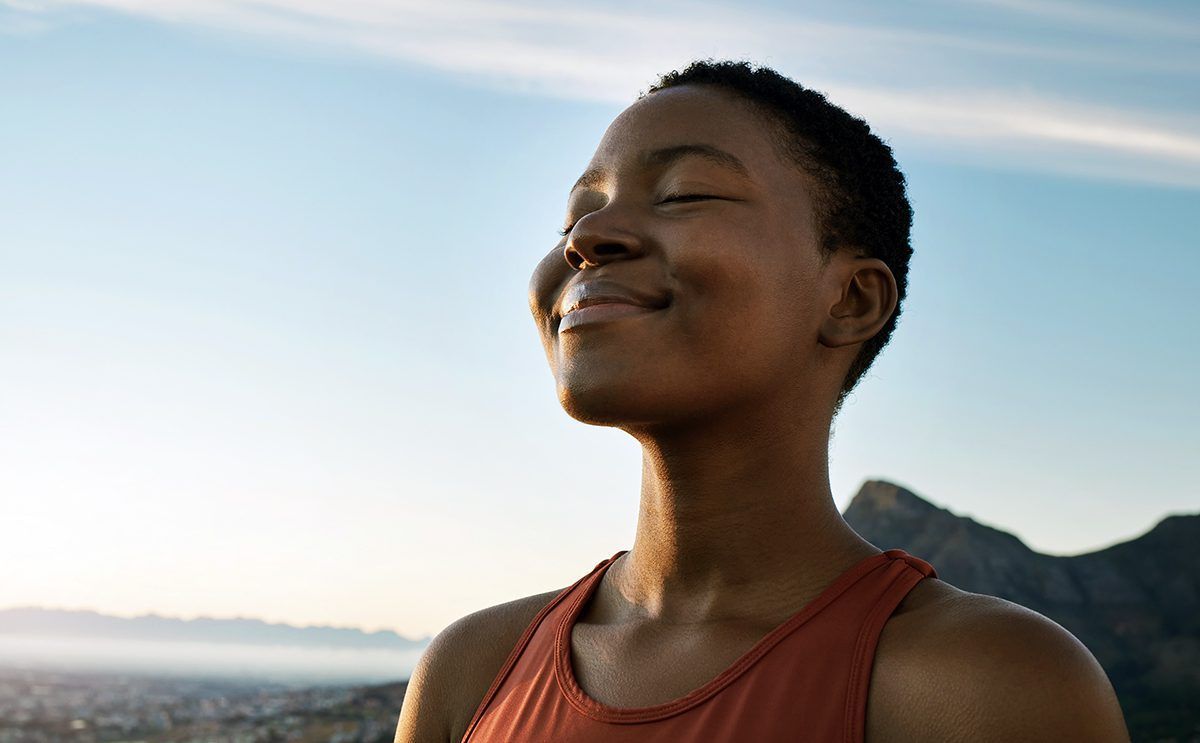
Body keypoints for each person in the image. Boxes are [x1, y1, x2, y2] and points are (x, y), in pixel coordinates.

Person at [394, 60, 1130, 742]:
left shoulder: (987, 685)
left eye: (684, 193)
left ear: (849, 299)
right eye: (575, 216)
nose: (587, 238)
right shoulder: (471, 668)